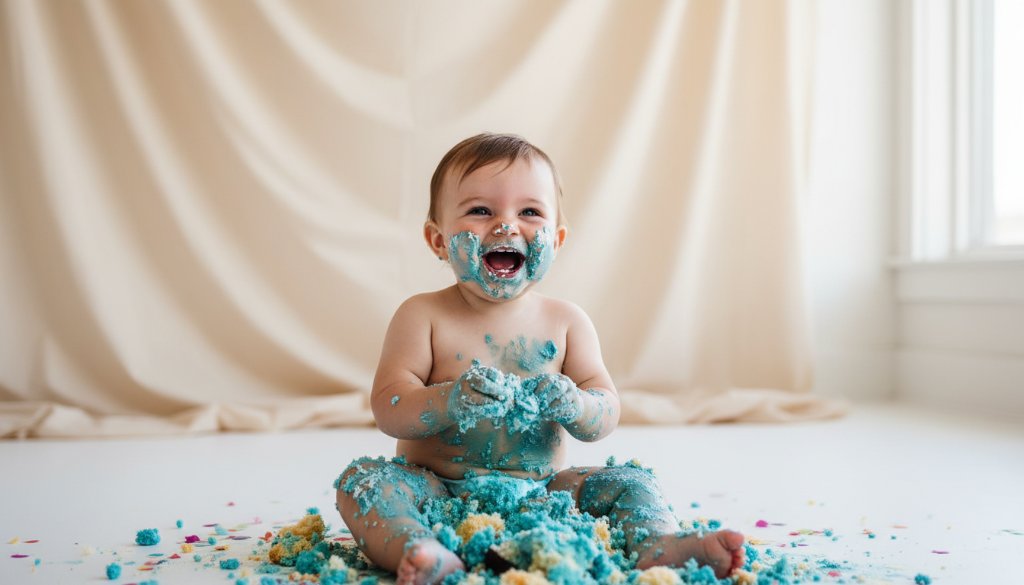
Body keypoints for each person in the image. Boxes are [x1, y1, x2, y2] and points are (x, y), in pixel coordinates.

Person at [335, 133, 745, 585]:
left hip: (544, 495)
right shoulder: (422, 316)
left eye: (529, 212)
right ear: (437, 238)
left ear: (558, 236)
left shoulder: (566, 322)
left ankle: (658, 545)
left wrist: (576, 404)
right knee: (364, 481)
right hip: (435, 490)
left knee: (633, 482)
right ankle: (417, 547)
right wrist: (449, 400)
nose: (507, 226)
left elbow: (604, 410)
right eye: (480, 210)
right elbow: (390, 406)